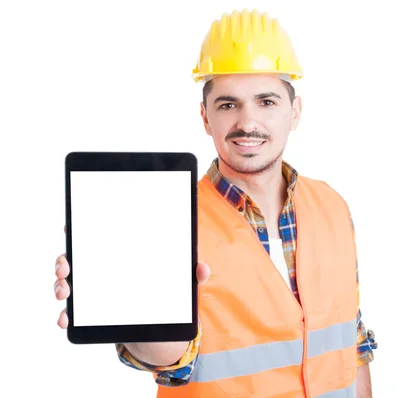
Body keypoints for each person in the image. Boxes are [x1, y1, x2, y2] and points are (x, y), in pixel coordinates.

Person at [54, 8, 377, 397]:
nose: (247, 122)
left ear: (295, 112)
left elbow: (353, 343)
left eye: (266, 102)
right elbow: (170, 361)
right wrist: (125, 308)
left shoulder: (332, 205)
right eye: (228, 105)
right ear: (205, 117)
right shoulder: (167, 219)